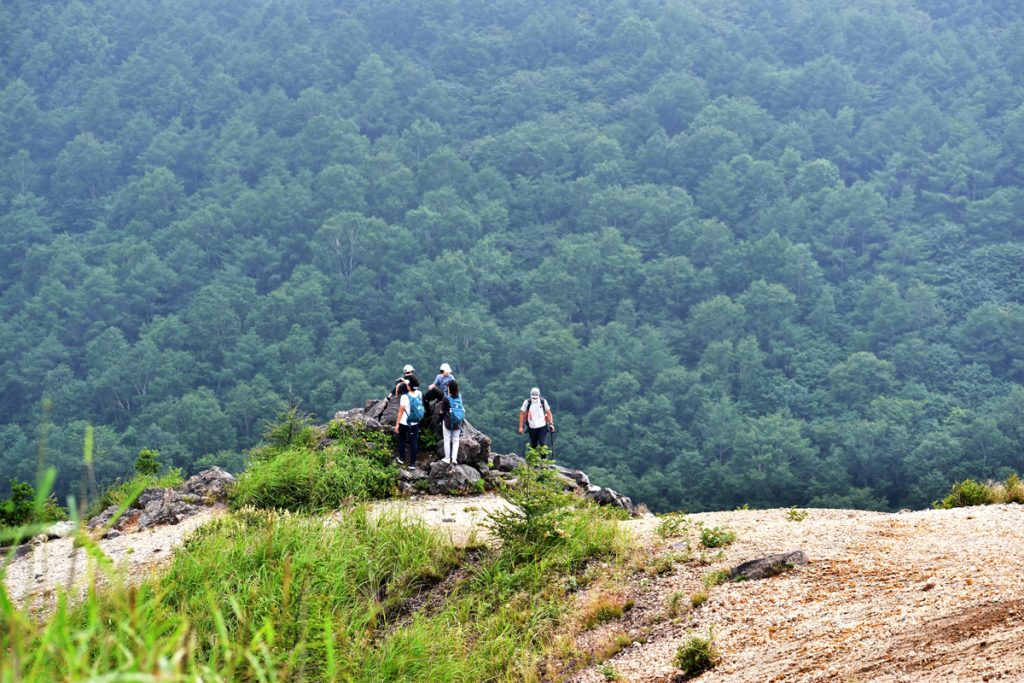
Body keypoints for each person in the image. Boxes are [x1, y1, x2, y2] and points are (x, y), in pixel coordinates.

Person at [393, 381, 424, 466]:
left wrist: (397, 424)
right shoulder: (419, 394)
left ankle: (401, 459)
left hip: (404, 422)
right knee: (414, 442)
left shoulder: (404, 397)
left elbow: (401, 411)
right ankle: (412, 464)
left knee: (402, 439)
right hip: (415, 422)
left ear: (409, 387)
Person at [438, 380, 464, 464]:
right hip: (458, 422)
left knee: (447, 439)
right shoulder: (459, 396)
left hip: (448, 422)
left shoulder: (446, 398)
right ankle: (454, 459)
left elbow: (442, 411)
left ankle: (447, 458)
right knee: (456, 440)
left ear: (449, 389)